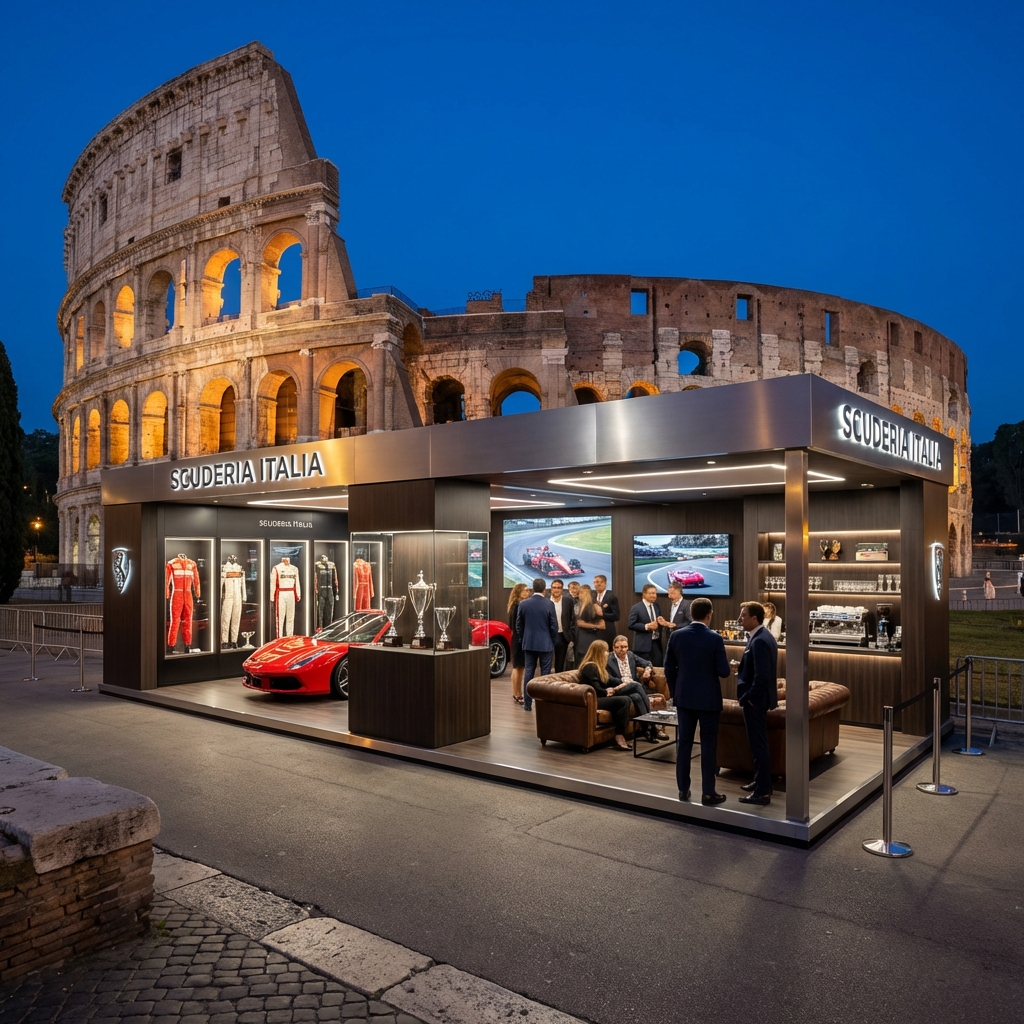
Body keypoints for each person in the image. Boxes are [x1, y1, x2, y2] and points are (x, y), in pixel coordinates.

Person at [664, 597, 730, 805]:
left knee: (684, 743)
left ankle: (683, 789)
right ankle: (708, 792)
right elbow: (724, 671)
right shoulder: (715, 638)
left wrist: (677, 692)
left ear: (691, 614)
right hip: (708, 699)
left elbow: (668, 669)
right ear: (709, 614)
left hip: (684, 698)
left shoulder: (676, 636)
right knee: (708, 745)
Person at [735, 600, 779, 805]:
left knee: (758, 745)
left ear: (755, 618)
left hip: (756, 701)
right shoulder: (762, 636)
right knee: (757, 744)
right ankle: (761, 782)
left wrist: (748, 697)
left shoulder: (760, 640)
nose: (739, 619)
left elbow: (761, 676)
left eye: (743, 615)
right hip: (758, 699)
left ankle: (762, 791)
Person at [607, 634, 667, 742]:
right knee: (636, 685)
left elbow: (647, 663)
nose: (622, 650)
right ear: (613, 647)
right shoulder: (608, 659)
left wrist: (647, 670)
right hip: (620, 688)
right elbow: (607, 678)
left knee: (637, 697)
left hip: (634, 690)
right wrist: (622, 681)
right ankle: (653, 727)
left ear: (628, 647)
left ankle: (646, 730)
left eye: (624, 647)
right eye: (619, 647)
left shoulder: (630, 655)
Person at [576, 640, 631, 751]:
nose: (608, 653)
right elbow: (595, 688)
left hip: (599, 697)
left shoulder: (599, 666)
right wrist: (606, 691)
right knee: (625, 700)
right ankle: (619, 735)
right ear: (599, 652)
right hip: (594, 700)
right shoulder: (590, 667)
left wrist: (622, 681)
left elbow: (608, 680)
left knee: (631, 693)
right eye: (606, 651)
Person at [516, 578, 558, 712]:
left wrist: (524, 639)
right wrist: (552, 640)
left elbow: (519, 625)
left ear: (533, 589)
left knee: (529, 672)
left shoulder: (523, 604)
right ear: (544, 590)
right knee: (545, 675)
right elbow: (553, 625)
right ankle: (543, 705)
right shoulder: (549, 604)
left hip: (528, 643)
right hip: (545, 643)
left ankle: (527, 705)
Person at [628, 583, 665, 666]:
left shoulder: (656, 606)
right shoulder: (636, 608)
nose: (653, 595)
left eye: (655, 593)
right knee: (643, 670)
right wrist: (647, 626)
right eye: (651, 593)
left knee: (658, 667)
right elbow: (631, 624)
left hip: (656, 644)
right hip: (642, 646)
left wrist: (661, 622)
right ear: (644, 594)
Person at [507, 583, 530, 705]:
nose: (527, 593)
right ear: (518, 592)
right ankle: (517, 693)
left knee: (520, 668)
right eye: (525, 591)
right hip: (519, 639)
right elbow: (516, 626)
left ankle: (516, 692)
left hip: (518, 638)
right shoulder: (517, 606)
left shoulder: (516, 605)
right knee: (518, 667)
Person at [549, 579, 577, 672]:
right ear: (551, 589)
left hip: (562, 635)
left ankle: (558, 684)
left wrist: (571, 635)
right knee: (546, 662)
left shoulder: (568, 601)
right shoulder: (546, 601)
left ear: (562, 589)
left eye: (559, 588)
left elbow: (572, 619)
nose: (556, 590)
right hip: (548, 636)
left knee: (560, 663)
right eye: (554, 588)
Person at [657, 581, 690, 648]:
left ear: (679, 591)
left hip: (683, 639)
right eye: (669, 590)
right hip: (670, 639)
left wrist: (676, 625)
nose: (669, 592)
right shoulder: (669, 605)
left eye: (672, 590)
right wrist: (664, 623)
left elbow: (691, 622)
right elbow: (669, 623)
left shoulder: (687, 604)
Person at [575, 584, 605, 657]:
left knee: (586, 656)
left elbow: (602, 625)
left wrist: (593, 626)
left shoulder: (593, 606)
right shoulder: (582, 605)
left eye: (580, 593)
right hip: (584, 635)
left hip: (588, 637)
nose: (578, 595)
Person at [593, 575, 620, 645]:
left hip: (607, 631)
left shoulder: (611, 596)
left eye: (600, 582)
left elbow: (616, 616)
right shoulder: (592, 595)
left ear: (605, 583)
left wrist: (602, 615)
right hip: (594, 632)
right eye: (595, 582)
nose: (597, 584)